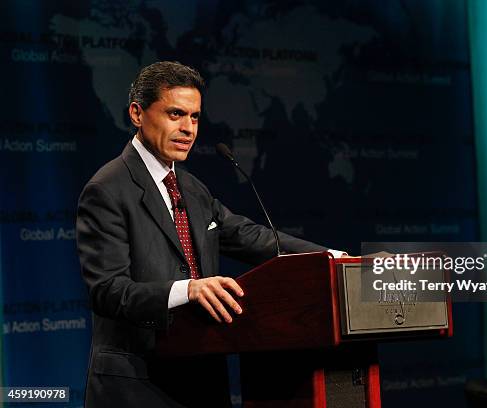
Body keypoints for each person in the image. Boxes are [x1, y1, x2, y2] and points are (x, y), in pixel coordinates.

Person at [76, 61, 343, 407]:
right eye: (175, 114)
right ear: (137, 114)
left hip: (200, 379)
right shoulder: (107, 189)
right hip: (137, 384)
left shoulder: (191, 188)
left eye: (195, 117)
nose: (188, 129)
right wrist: (187, 290)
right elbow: (107, 291)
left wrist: (337, 259)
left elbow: (255, 238)